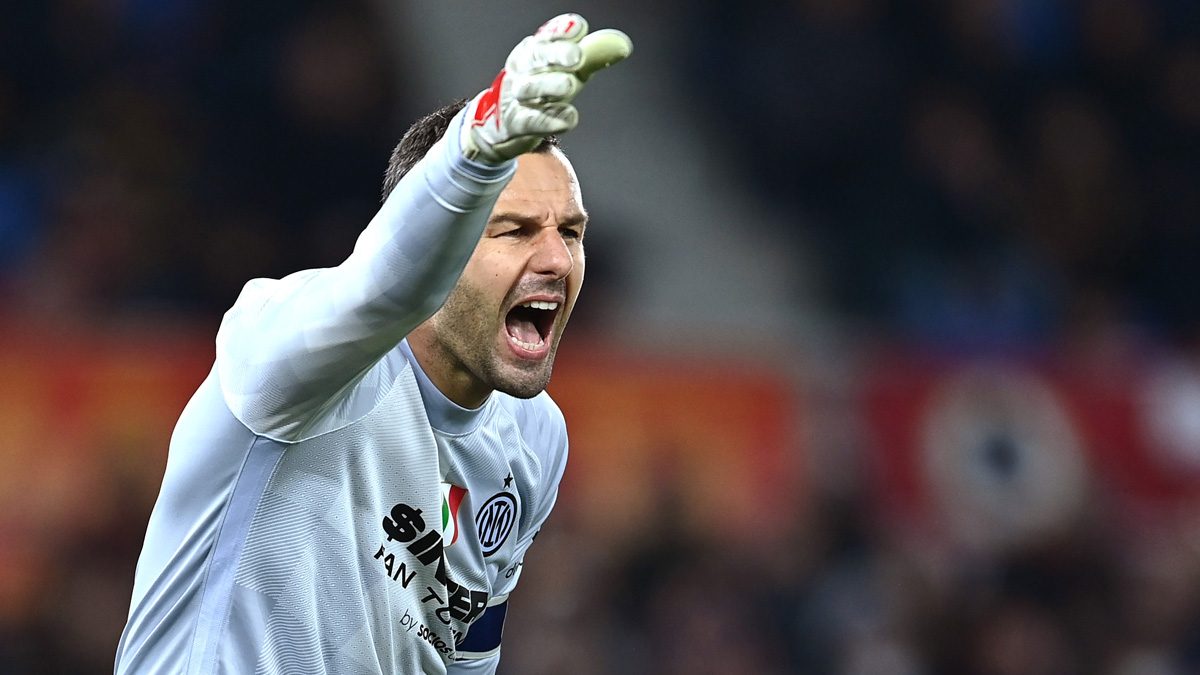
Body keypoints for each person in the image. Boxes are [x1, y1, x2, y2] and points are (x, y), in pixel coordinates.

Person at [114, 14, 631, 674]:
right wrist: (476, 148)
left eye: (571, 232)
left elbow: (464, 656)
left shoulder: (534, 439)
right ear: (439, 246)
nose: (557, 259)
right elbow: (380, 286)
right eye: (514, 230)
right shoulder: (281, 343)